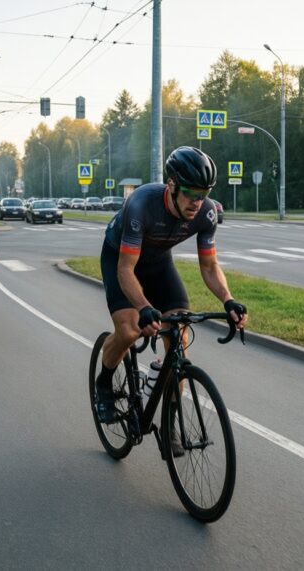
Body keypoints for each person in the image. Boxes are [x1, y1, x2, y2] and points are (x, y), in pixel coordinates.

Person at [93, 146, 249, 437]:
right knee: (129, 331)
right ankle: (104, 382)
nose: (197, 202)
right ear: (172, 185)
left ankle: (170, 422)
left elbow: (210, 267)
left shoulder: (207, 213)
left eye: (203, 194)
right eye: (190, 193)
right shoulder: (141, 204)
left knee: (179, 335)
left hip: (158, 263)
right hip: (120, 259)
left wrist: (228, 299)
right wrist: (143, 307)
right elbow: (126, 270)